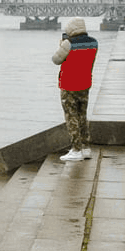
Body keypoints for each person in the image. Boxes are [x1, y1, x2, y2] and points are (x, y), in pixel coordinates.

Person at [52, 17, 98, 162]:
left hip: (69, 84)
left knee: (71, 116)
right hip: (85, 83)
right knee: (82, 115)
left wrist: (61, 45)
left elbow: (56, 59)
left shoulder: (68, 43)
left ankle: (76, 149)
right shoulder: (93, 42)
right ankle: (86, 148)